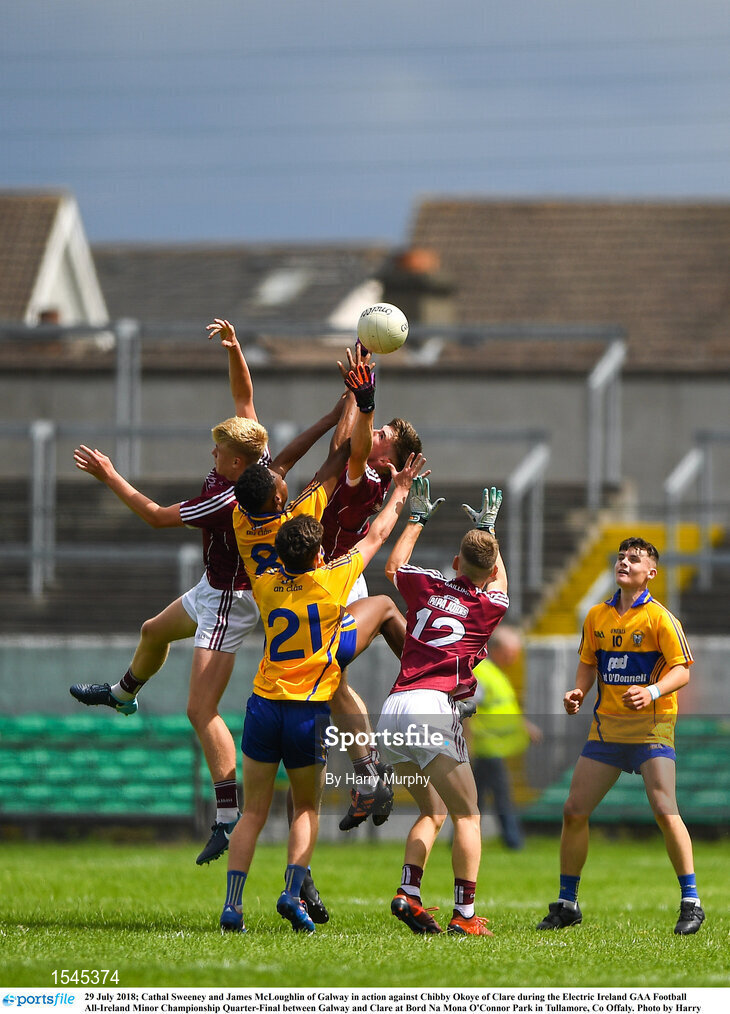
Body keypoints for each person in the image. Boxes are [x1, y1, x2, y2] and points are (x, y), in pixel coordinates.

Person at [69, 319, 345, 873]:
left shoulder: (225, 499)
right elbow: (246, 400)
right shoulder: (257, 462)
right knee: (153, 631)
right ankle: (125, 693)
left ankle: (225, 815)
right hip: (212, 586)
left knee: (201, 708)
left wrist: (109, 475)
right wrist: (237, 349)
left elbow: (153, 516)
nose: (212, 455)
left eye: (218, 452)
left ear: (237, 463)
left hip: (230, 598)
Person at [219, 451, 426, 934]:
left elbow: (257, 516)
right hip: (307, 711)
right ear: (318, 556)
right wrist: (401, 490)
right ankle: (292, 893)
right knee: (306, 808)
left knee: (253, 810)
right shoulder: (332, 581)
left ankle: (233, 906)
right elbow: (376, 534)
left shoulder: (264, 580)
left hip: (264, 705)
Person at [232, 348, 413, 834]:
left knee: (337, 675)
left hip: (320, 579)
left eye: (383, 438)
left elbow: (343, 448)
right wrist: (357, 395)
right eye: (376, 429)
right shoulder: (350, 479)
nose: (374, 436)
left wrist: (361, 396)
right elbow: (338, 445)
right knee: (334, 681)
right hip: (319, 577)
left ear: (387, 460)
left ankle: (424, 683)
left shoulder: (362, 473)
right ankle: (372, 768)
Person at [536, 536, 705, 936]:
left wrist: (651, 691)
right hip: (606, 733)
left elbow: (682, 671)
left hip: (651, 730)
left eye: (634, 559)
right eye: (621, 557)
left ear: (651, 572)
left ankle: (692, 902)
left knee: (666, 812)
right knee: (574, 810)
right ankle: (567, 904)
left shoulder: (661, 618)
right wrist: (578, 690)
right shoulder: (596, 615)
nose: (624, 563)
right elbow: (587, 664)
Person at [376, 478, 509, 936]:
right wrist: (491, 532)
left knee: (431, 811)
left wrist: (416, 519)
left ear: (455, 563)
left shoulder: (430, 584)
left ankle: (408, 894)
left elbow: (394, 567)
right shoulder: (486, 606)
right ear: (491, 571)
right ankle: (465, 916)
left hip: (393, 709)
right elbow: (499, 584)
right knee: (468, 815)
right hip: (432, 708)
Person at [468, 625, 541, 850]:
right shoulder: (483, 673)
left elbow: (502, 709)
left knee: (476, 797)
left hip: (493, 747)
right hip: (487, 746)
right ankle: (513, 841)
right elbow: (467, 709)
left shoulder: (497, 673)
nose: (515, 657)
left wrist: (524, 726)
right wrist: (467, 743)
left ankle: (463, 838)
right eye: (512, 652)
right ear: (497, 649)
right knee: (501, 795)